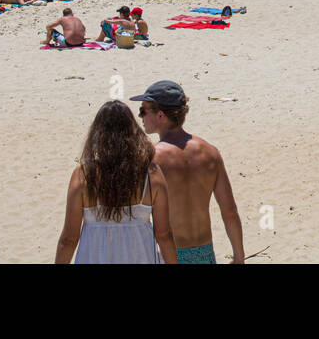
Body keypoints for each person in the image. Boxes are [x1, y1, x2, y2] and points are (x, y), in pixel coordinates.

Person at [133, 80, 244, 264]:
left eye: (143, 110)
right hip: (204, 253)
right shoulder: (210, 153)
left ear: (161, 115)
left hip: (168, 254)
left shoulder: (152, 159)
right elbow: (230, 211)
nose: (140, 116)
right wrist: (239, 257)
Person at [54, 100, 177, 264]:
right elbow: (164, 235)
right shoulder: (151, 174)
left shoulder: (84, 176)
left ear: (97, 134)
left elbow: (69, 240)